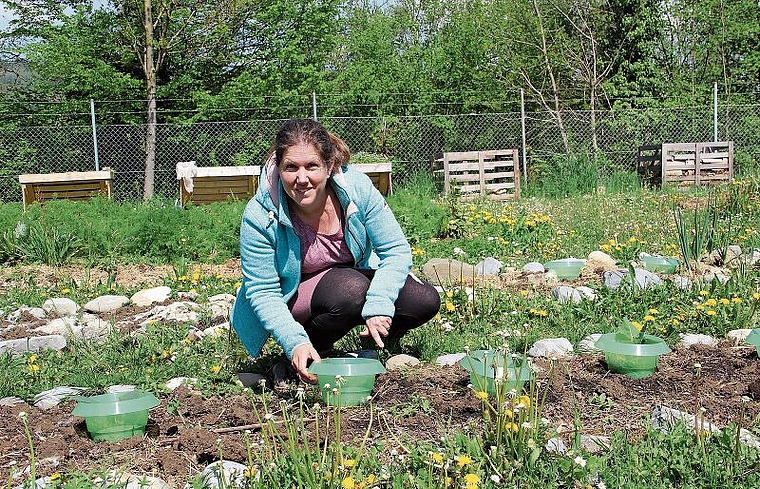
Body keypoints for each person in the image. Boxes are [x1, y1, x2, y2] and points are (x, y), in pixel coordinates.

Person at [231, 119, 441, 383]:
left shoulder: (356, 189)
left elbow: (396, 251)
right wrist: (293, 341)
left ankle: (379, 337)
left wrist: (379, 305)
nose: (301, 178)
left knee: (423, 299)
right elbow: (262, 291)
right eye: (291, 167)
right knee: (351, 289)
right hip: (294, 297)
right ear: (279, 167)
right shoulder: (260, 214)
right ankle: (304, 352)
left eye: (312, 166)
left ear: (329, 166)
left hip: (345, 282)